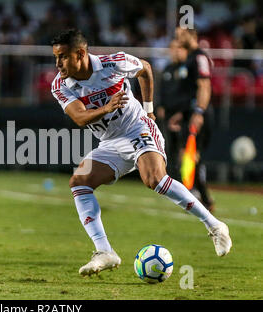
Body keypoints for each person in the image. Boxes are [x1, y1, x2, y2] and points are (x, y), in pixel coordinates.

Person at [50, 29, 231, 277]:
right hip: (110, 142)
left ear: (80, 53)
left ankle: (215, 226)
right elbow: (80, 117)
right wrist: (107, 107)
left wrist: (148, 110)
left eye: (63, 57)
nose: (58, 64)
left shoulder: (112, 64)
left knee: (154, 179)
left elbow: (145, 68)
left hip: (137, 129)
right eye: (56, 57)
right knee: (79, 182)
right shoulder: (60, 85)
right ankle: (105, 251)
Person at [173, 26, 215, 211]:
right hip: (188, 114)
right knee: (187, 156)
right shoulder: (188, 58)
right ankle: (201, 198)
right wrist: (181, 114)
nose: (178, 39)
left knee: (190, 156)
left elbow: (204, 86)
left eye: (181, 35)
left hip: (197, 114)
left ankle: (201, 198)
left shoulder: (199, 57)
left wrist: (199, 112)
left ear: (192, 35)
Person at [156, 39, 189, 179]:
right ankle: (170, 178)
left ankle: (187, 181)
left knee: (185, 149)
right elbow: (162, 90)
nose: (175, 51)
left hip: (184, 115)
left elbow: (189, 93)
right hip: (168, 115)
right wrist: (160, 106)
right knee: (168, 148)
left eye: (178, 48)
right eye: (173, 48)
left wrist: (182, 113)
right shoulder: (167, 69)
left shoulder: (187, 69)